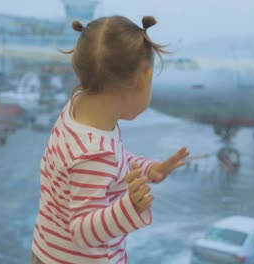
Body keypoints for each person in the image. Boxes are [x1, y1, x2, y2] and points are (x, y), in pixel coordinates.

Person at [29, 15, 190, 264]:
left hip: (49, 249)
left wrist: (149, 169)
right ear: (142, 78)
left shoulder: (79, 107)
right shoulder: (93, 152)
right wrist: (130, 207)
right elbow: (83, 232)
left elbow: (110, 165)